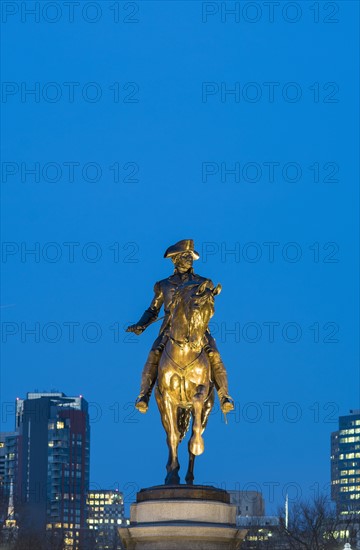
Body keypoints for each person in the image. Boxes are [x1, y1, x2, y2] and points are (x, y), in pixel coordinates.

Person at [126, 239, 234, 414]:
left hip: (198, 329)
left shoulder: (204, 282)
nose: (189, 259)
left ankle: (224, 396)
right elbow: (153, 310)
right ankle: (144, 394)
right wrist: (141, 325)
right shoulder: (164, 285)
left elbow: (209, 307)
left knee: (214, 353)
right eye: (185, 256)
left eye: (190, 256)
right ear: (175, 259)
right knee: (154, 353)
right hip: (170, 330)